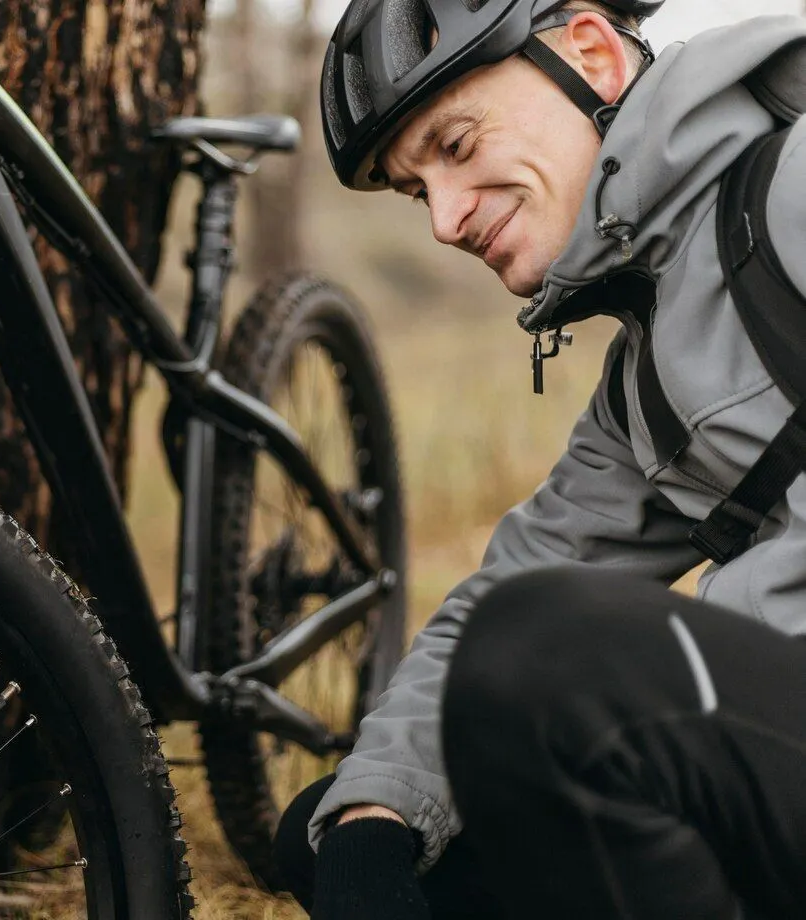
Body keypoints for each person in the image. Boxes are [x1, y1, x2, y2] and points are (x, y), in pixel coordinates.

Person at [273, 1, 806, 917]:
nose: (442, 220)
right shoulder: (646, 380)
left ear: (592, 57)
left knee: (545, 657)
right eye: (415, 191)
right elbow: (513, 587)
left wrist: (672, 685)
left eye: (455, 144)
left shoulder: (795, 186)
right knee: (339, 831)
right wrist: (373, 820)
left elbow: (536, 646)